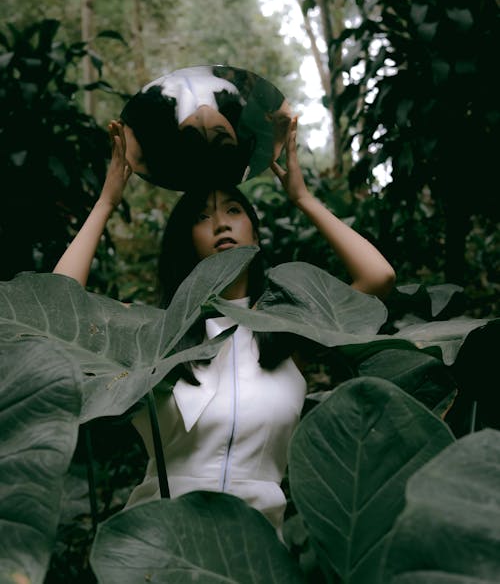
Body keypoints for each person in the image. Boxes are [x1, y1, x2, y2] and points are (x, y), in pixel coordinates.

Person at [53, 114, 395, 533]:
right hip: (157, 548)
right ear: (185, 240)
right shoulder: (152, 334)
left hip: (255, 557)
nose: (221, 223)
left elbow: (378, 278)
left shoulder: (288, 334)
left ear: (254, 234)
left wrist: (302, 197)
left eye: (234, 209)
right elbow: (54, 307)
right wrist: (107, 201)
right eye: (202, 216)